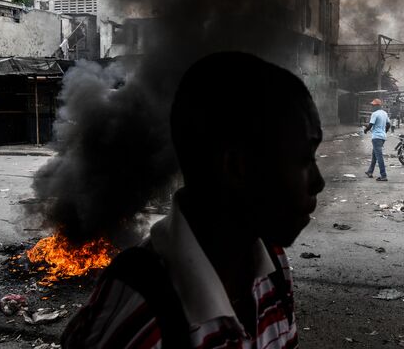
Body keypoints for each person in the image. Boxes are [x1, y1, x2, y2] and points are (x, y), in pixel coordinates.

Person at [61, 52, 325, 348]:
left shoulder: (273, 263)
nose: (319, 182)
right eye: (304, 159)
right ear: (237, 167)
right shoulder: (138, 319)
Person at [364, 98, 390, 181]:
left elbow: (371, 124)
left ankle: (383, 175)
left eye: (373, 105)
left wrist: (365, 130)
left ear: (377, 106)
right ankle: (370, 171)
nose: (372, 107)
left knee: (379, 157)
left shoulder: (375, 114)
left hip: (376, 138)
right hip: (382, 137)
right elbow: (388, 124)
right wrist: (384, 132)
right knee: (374, 155)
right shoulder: (384, 113)